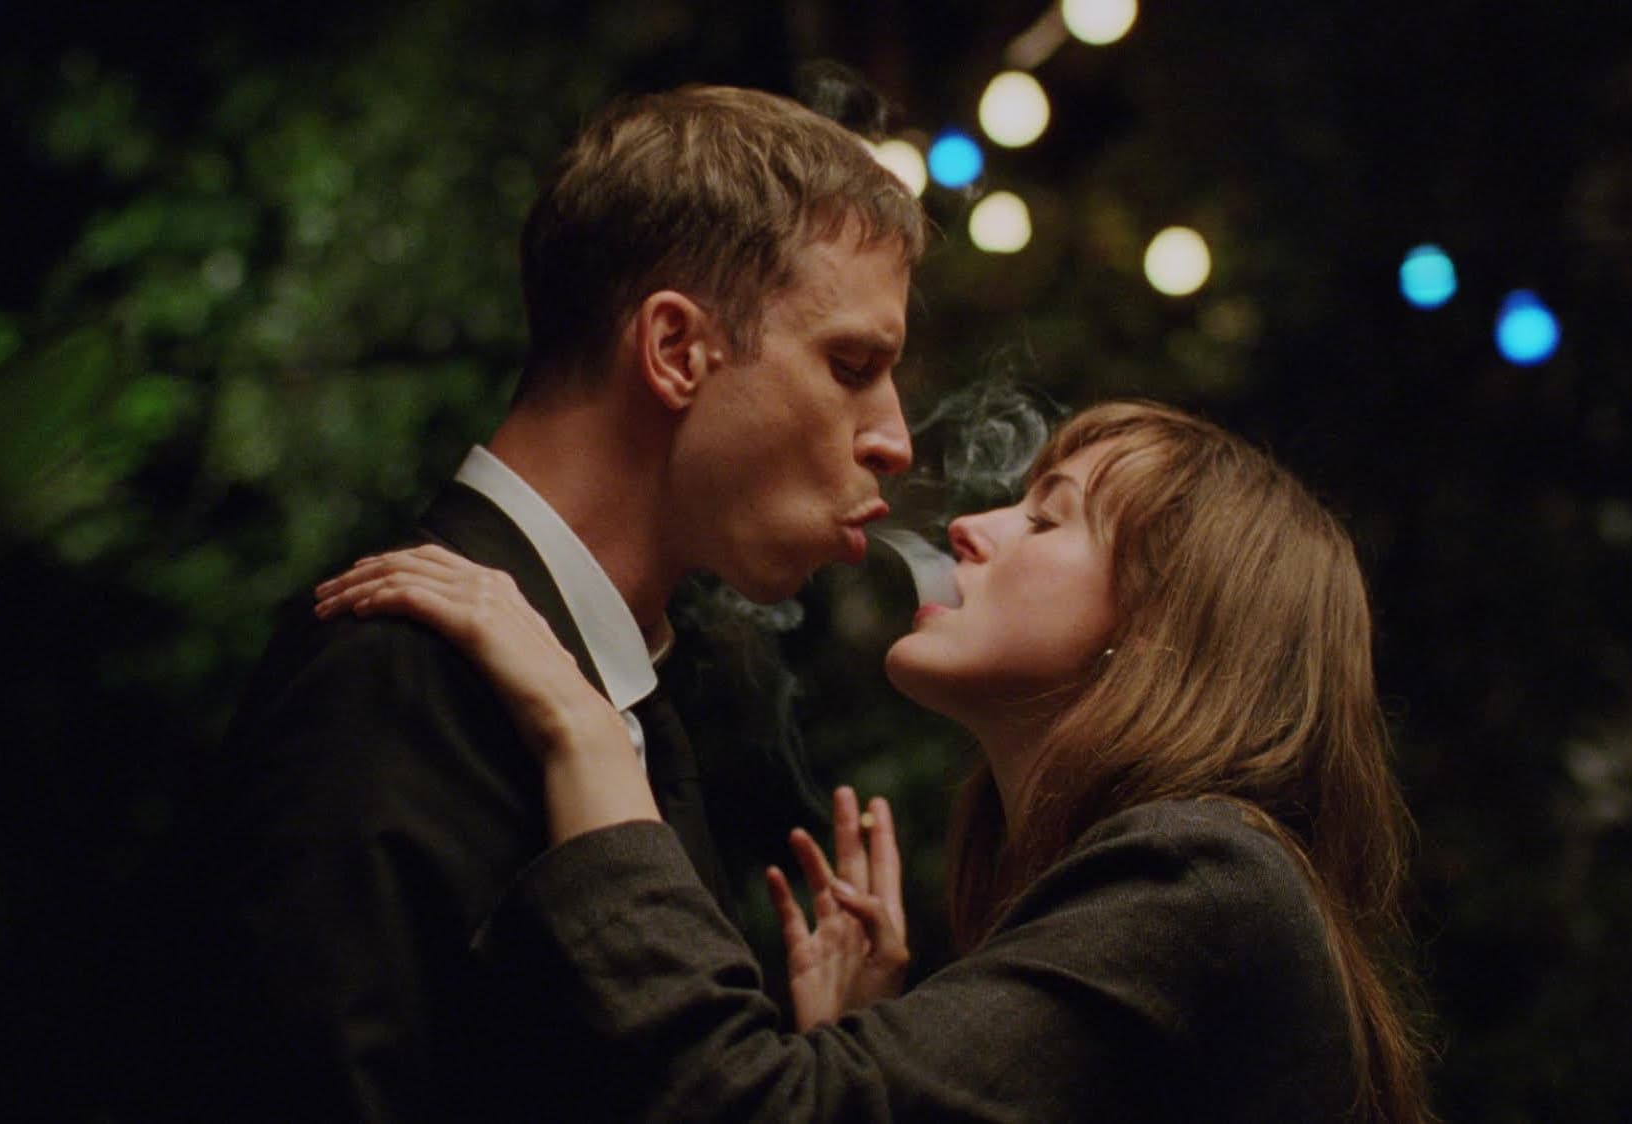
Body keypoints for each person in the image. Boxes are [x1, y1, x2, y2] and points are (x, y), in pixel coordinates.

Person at [316, 399, 1434, 1122]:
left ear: (1158, 628)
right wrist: (849, 1055)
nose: (972, 529)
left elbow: (740, 1109)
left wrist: (586, 732)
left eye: (1050, 520)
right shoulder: (1184, 888)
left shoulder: (1206, 879)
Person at [198, 84, 927, 1121]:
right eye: (852, 366)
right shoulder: (394, 670)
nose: (895, 439)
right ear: (675, 349)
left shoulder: (610, 684)